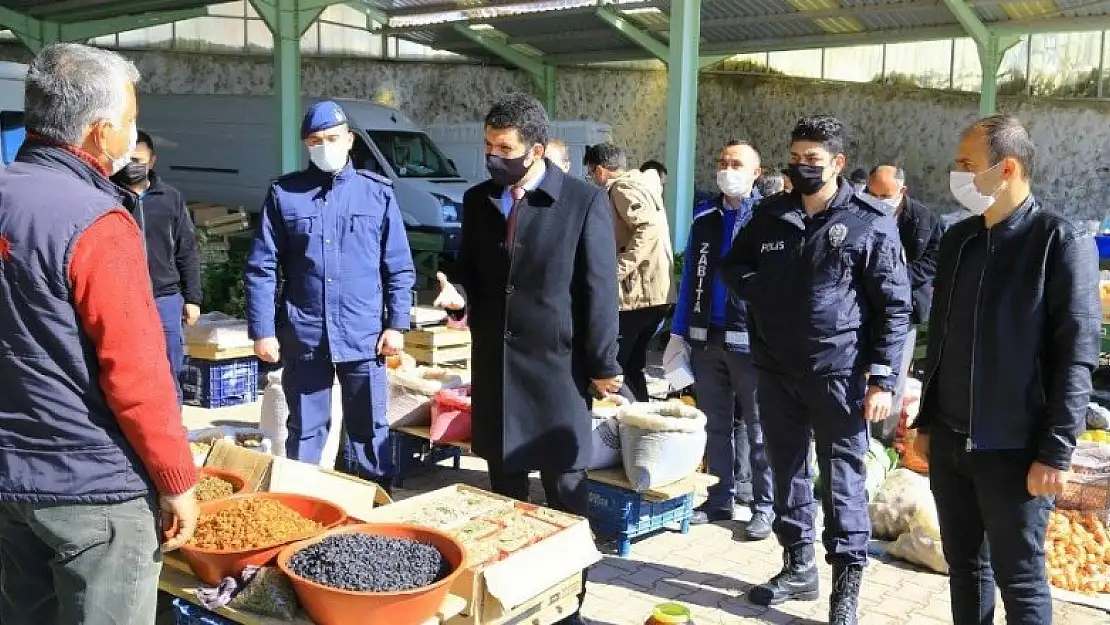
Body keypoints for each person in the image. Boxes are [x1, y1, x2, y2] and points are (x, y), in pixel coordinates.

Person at [0, 43, 198, 624]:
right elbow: (136, 372)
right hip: (93, 489)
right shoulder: (96, 221)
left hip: (12, 479)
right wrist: (175, 477)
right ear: (101, 133)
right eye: (129, 121)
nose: (134, 135)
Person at [433, 93, 621, 625]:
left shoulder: (583, 203)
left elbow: (598, 292)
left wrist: (603, 364)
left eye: (505, 148)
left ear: (535, 150)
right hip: (496, 369)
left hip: (558, 371)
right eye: (488, 146)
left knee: (565, 493)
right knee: (506, 493)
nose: (494, 157)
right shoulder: (478, 201)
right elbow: (468, 269)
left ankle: (569, 605)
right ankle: (514, 596)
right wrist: (458, 297)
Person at [721, 115, 912, 624]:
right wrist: (760, 290)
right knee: (786, 473)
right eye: (797, 158)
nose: (803, 167)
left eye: (814, 160)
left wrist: (883, 379)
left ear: (839, 163)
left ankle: (845, 587)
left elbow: (895, 308)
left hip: (840, 377)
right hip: (776, 372)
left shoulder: (870, 220)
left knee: (842, 481)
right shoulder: (770, 215)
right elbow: (733, 267)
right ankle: (798, 565)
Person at [912, 114, 1100, 625]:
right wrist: (928, 420)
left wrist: (1055, 452)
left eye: (966, 165)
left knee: (1019, 577)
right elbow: (942, 339)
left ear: (1007, 168)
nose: (957, 175)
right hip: (952, 442)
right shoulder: (961, 241)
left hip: (1014, 452)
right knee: (966, 569)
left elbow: (1076, 356)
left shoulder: (1057, 243)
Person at [245, 100, 415, 488]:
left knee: (370, 429)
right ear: (306, 144)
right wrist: (262, 330)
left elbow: (399, 267)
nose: (324, 146)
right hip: (305, 335)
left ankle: (374, 508)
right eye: (315, 140)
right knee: (305, 429)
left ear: (350, 140)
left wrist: (397, 323)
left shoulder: (377, 194)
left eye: (332, 138)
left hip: (364, 335)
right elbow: (262, 267)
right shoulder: (285, 195)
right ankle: (303, 507)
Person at [668, 140, 774, 539]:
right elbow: (688, 284)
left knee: (761, 429)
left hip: (751, 343)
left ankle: (764, 507)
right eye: (722, 161)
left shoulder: (768, 220)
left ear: (756, 173)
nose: (727, 169)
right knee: (715, 426)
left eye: (737, 164)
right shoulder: (705, 219)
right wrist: (678, 334)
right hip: (705, 339)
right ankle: (719, 500)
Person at [111, 130, 202, 404]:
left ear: (152, 161)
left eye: (138, 159)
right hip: (122, 297)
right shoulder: (107, 196)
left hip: (165, 297)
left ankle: (172, 419)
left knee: (169, 363)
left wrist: (193, 297)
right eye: (127, 159)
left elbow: (186, 248)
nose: (132, 165)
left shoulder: (169, 198)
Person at [585, 143, 675, 401]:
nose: (591, 179)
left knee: (614, 368)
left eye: (591, 173)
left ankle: (628, 422)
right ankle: (639, 423)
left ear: (601, 170)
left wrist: (616, 269)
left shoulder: (622, 188)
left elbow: (647, 229)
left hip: (637, 295)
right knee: (632, 366)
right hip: (654, 294)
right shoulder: (643, 183)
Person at [863, 165, 944, 440]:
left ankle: (882, 439)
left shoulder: (923, 219)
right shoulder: (857, 211)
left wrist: (898, 279)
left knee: (891, 377)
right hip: (861, 306)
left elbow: (934, 259)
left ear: (902, 191)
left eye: (885, 195)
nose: (878, 201)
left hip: (905, 309)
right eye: (872, 193)